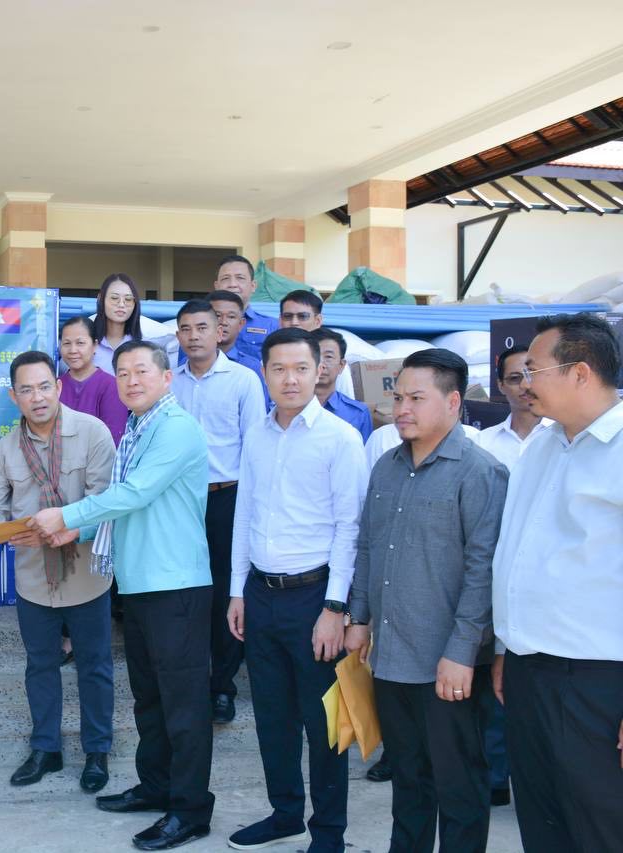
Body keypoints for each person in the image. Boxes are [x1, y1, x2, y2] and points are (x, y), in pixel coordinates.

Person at [32, 340, 215, 851]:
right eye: (123, 373)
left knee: (183, 706)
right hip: (139, 585)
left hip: (176, 586)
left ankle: (190, 810)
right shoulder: (136, 429)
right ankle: (156, 787)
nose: (131, 381)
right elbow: (130, 511)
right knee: (150, 700)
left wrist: (67, 515)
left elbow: (135, 494)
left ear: (166, 378)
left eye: (142, 371)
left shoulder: (175, 428)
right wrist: (80, 531)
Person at [347, 348, 507, 853]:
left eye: (416, 398)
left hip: (448, 663)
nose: (402, 409)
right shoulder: (387, 467)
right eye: (398, 398)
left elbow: (483, 571)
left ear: (453, 401)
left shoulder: (479, 472)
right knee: (408, 780)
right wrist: (358, 617)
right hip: (390, 655)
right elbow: (368, 546)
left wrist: (461, 652)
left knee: (459, 784)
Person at [225, 327, 366, 852]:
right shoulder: (257, 435)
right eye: (279, 369)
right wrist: (238, 590)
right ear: (264, 373)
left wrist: (335, 607)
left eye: (301, 368)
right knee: (272, 716)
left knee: (323, 722)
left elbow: (350, 528)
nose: (290, 379)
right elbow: (244, 512)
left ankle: (328, 832)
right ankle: (284, 813)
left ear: (319, 371)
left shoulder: (340, 438)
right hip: (261, 593)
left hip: (315, 598)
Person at [491, 312, 623, 852]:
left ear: (581, 372)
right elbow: (517, 550)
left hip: (596, 677)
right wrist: (507, 646)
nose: (524, 384)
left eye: (535, 370)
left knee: (599, 821)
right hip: (529, 668)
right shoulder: (543, 445)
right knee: (542, 819)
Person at [0, 350, 117, 792]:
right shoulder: (5, 449)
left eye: (45, 386)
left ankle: (97, 751)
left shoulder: (93, 433)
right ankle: (46, 748)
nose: (38, 397)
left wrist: (60, 531)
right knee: (40, 665)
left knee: (95, 666)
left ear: (59, 387)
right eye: (27, 390)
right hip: (33, 579)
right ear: (14, 397)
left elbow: (106, 505)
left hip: (87, 576)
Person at [170, 299, 265, 725]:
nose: (194, 336)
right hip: (179, 502)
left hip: (228, 497)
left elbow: (255, 448)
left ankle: (222, 686)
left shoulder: (244, 380)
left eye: (202, 327)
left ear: (219, 331)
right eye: (186, 329)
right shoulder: (170, 382)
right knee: (186, 591)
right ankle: (190, 681)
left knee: (227, 592)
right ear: (178, 335)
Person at [471, 343, 552, 807]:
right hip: (493, 574)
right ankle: (496, 775)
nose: (525, 386)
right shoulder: (483, 444)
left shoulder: (564, 440)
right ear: (500, 386)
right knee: (494, 676)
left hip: (546, 583)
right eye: (515, 378)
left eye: (531, 375)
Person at [59, 315, 129, 445]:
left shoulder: (112, 386)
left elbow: (113, 440)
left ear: (95, 345)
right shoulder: (54, 386)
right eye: (67, 343)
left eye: (80, 343)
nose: (73, 350)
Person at [89, 273, 177, 373]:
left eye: (128, 299)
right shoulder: (87, 343)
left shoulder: (146, 343)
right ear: (100, 298)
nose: (121, 304)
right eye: (114, 298)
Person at [212, 255, 279, 362]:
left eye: (240, 278)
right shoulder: (201, 323)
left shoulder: (272, 326)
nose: (232, 284)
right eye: (225, 278)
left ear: (253, 286)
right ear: (217, 286)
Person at [312, 328, 372, 441]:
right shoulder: (288, 408)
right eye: (315, 356)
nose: (321, 364)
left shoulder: (358, 413)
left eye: (328, 357)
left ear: (341, 365)